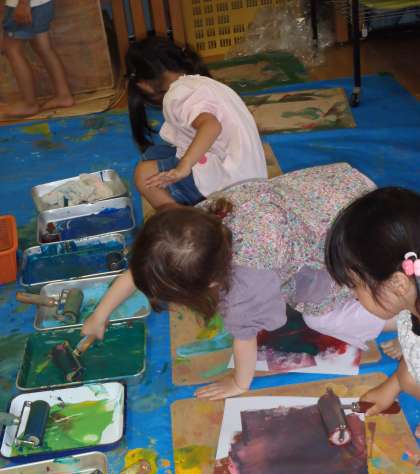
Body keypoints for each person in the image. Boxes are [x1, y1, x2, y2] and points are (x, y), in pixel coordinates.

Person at [82, 162, 394, 400]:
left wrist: (239, 383)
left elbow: (245, 339)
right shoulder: (201, 223)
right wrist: (100, 315)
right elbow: (148, 265)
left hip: (363, 236)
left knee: (319, 318)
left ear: (210, 285)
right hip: (342, 189)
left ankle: (402, 317)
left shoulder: (246, 284)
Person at [125, 37, 267, 209]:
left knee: (144, 174)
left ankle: (186, 220)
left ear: (144, 85)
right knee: (153, 154)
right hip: (250, 176)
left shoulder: (177, 95)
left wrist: (184, 167)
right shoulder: (204, 83)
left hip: (229, 187)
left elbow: (211, 125)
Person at [325, 186, 420, 433]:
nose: (353, 296)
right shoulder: (410, 302)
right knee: (408, 378)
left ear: (398, 283)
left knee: (411, 381)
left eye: (356, 286)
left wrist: (404, 381)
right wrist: (392, 386)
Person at [1, 0, 73, 117]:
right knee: (43, 48)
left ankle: (29, 104)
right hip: (39, 4)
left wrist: (23, 4)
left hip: (24, 6)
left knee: (12, 49)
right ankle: (63, 95)